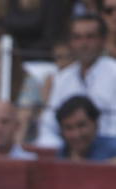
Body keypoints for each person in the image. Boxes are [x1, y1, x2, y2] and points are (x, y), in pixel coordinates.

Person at [37, 15, 116, 148]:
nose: (83, 44)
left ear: (103, 40)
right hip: (67, 151)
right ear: (70, 42)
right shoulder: (62, 78)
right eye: (77, 37)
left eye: (90, 37)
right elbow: (48, 125)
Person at [55, 94, 116, 161]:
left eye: (81, 125)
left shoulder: (112, 148)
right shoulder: (63, 153)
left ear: (96, 124)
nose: (76, 134)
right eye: (69, 128)